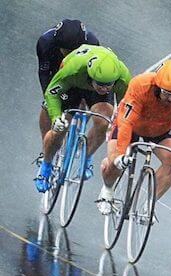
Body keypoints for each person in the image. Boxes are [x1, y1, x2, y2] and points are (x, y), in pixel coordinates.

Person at [96, 59, 171, 214]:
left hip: (162, 127)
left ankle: (149, 204)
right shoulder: (141, 84)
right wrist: (120, 153)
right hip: (131, 124)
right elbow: (126, 121)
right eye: (166, 93)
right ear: (157, 86)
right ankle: (107, 190)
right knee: (115, 161)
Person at [35, 45, 131, 192]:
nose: (104, 89)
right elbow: (51, 93)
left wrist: (116, 123)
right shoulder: (73, 69)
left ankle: (87, 155)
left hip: (94, 90)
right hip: (73, 84)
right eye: (101, 84)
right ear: (91, 76)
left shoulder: (122, 78)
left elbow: (124, 107)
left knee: (104, 121)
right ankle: (46, 165)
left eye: (108, 85)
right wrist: (55, 119)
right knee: (59, 129)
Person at [37, 19, 100, 140]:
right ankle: (45, 146)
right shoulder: (45, 42)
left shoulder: (93, 43)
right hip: (57, 69)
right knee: (47, 104)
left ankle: (78, 134)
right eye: (66, 51)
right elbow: (44, 73)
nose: (69, 55)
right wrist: (49, 97)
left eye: (73, 52)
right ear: (58, 45)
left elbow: (95, 75)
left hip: (82, 70)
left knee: (87, 98)